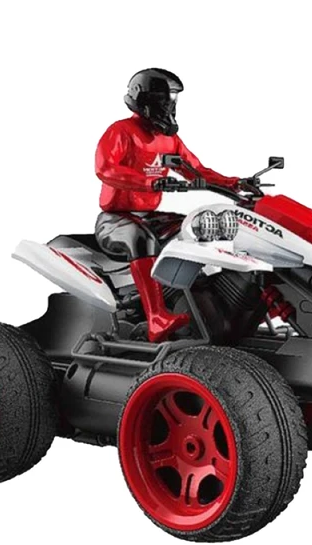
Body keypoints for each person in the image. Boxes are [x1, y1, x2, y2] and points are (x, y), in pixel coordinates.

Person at [94, 68, 239, 342]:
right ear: (145, 100)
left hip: (151, 215)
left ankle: (208, 306)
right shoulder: (121, 131)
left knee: (198, 230)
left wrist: (233, 183)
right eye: (163, 99)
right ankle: (156, 318)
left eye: (172, 99)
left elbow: (196, 170)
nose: (169, 105)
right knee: (141, 238)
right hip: (116, 219)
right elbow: (106, 169)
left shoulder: (169, 140)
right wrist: (150, 182)